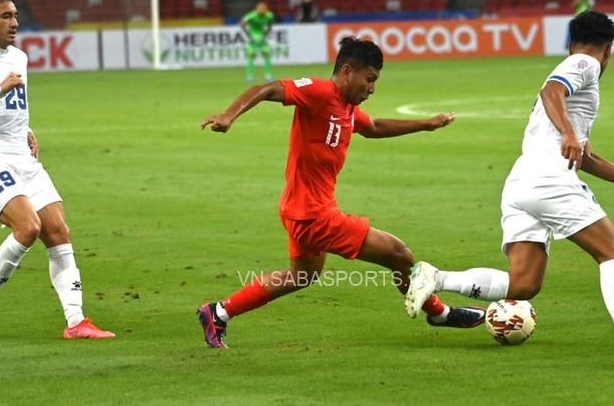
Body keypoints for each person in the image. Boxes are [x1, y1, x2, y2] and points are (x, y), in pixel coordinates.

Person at [406, 11, 614, 366]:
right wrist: (568, 132)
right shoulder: (585, 63)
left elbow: (586, 155)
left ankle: (435, 276)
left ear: (569, 41)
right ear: (608, 50)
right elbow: (550, 90)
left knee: (524, 284)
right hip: (550, 179)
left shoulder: (577, 77)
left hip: (522, 181)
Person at [197, 37, 485, 348]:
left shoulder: (347, 107)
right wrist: (228, 116)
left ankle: (218, 312)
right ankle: (439, 313)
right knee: (401, 255)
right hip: (313, 215)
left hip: (301, 210)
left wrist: (425, 125)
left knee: (302, 276)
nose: (372, 88)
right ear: (347, 71)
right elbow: (267, 88)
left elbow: (374, 127)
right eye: (369, 79)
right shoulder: (319, 93)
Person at [0, 0, 114, 340]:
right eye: (6, 16)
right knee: (28, 227)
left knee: (58, 231)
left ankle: (76, 321)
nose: (15, 23)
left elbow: (15, 104)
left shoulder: (19, 57)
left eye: (15, 15)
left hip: (22, 155)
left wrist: (27, 129)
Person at [240, 1, 275, 84]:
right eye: (260, 8)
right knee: (251, 55)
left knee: (266, 54)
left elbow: (270, 25)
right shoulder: (251, 16)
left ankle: (268, 75)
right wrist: (249, 36)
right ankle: (250, 76)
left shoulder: (269, 15)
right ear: (257, 9)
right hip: (253, 36)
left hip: (262, 36)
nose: (262, 10)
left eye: (264, 9)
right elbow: (242, 23)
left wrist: (266, 34)